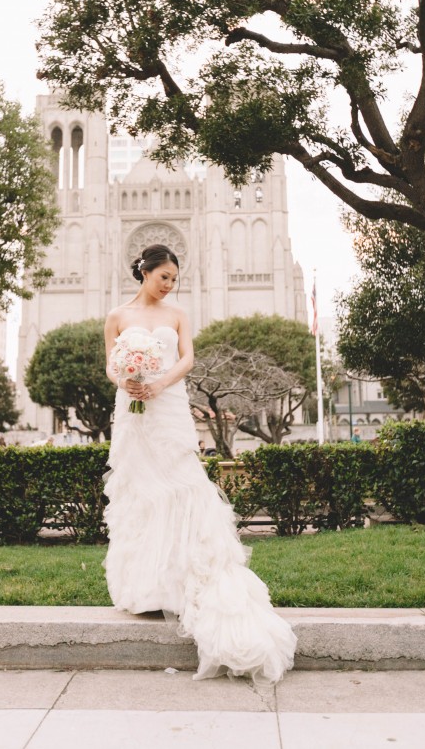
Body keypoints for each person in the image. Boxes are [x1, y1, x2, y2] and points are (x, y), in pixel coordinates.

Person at [103, 243, 297, 682]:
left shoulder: (178, 315)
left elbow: (187, 359)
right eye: (164, 276)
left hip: (168, 404)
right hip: (132, 409)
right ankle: (146, 587)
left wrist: (158, 382)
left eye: (174, 278)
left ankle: (180, 581)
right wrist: (128, 378)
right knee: (139, 490)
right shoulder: (117, 316)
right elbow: (110, 366)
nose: (169, 284)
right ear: (144, 272)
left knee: (181, 485)